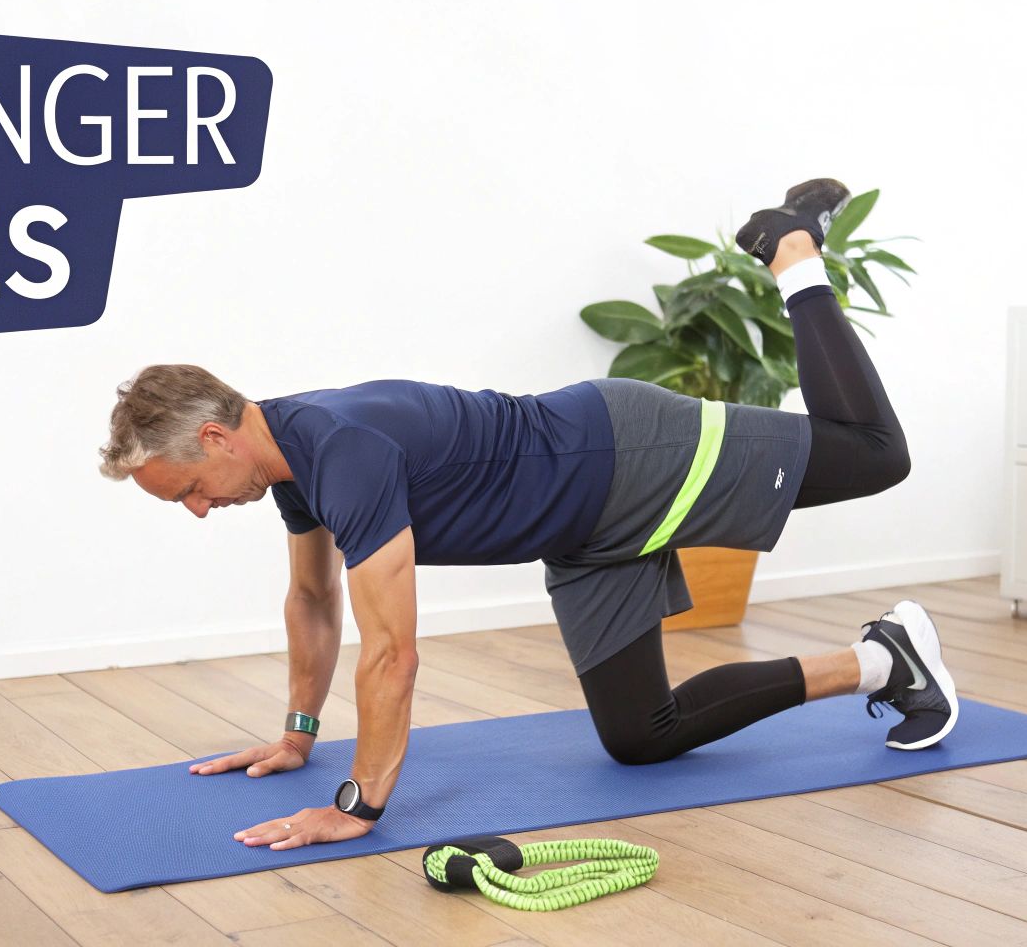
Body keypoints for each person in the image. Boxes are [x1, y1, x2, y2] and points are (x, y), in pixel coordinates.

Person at [96, 178, 957, 853]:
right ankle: (882, 661)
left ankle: (795, 249)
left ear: (215, 438)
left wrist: (358, 805)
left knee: (876, 452)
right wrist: (295, 735)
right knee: (640, 736)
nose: (202, 512)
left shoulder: (342, 450)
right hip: (579, 533)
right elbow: (313, 601)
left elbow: (392, 653)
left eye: (189, 492)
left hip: (627, 457)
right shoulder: (289, 458)